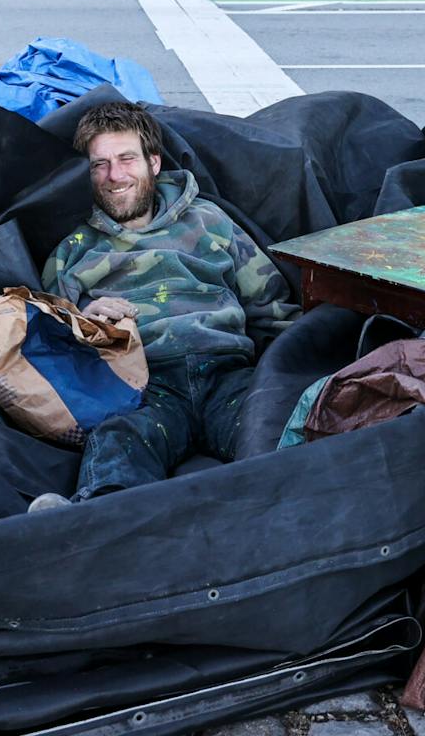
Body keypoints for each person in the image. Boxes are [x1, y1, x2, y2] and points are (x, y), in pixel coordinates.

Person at [31, 102, 301, 508]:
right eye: (99, 164)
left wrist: (291, 373)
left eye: (126, 159)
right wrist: (86, 323)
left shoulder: (211, 221)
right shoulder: (73, 250)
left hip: (225, 371)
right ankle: (90, 524)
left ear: (153, 163)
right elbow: (53, 344)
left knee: (277, 430)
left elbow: (273, 307)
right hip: (145, 385)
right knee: (117, 439)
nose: (115, 176)